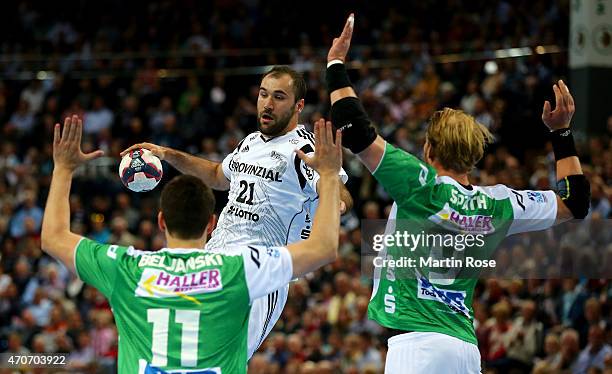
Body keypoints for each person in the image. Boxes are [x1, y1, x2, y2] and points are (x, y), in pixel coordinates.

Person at [324, 14, 590, 373]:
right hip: (465, 349)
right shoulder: (500, 202)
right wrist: (561, 134)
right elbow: (575, 203)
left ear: (429, 151)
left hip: (416, 345)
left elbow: (353, 128)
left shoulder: (420, 184)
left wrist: (335, 63)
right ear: (474, 156)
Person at [41, 115, 343, 373]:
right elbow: (324, 247)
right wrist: (328, 175)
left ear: (161, 222)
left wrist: (63, 169)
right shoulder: (240, 272)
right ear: (211, 224)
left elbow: (53, 238)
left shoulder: (127, 269)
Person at [122, 66, 352, 358]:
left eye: (279, 97)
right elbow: (218, 175)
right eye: (263, 94)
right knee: (186, 356)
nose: (267, 104)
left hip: (260, 272)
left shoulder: (304, 149)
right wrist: (167, 154)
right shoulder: (251, 142)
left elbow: (339, 191)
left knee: (224, 359)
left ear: (299, 106)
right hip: (212, 262)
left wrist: (335, 200)